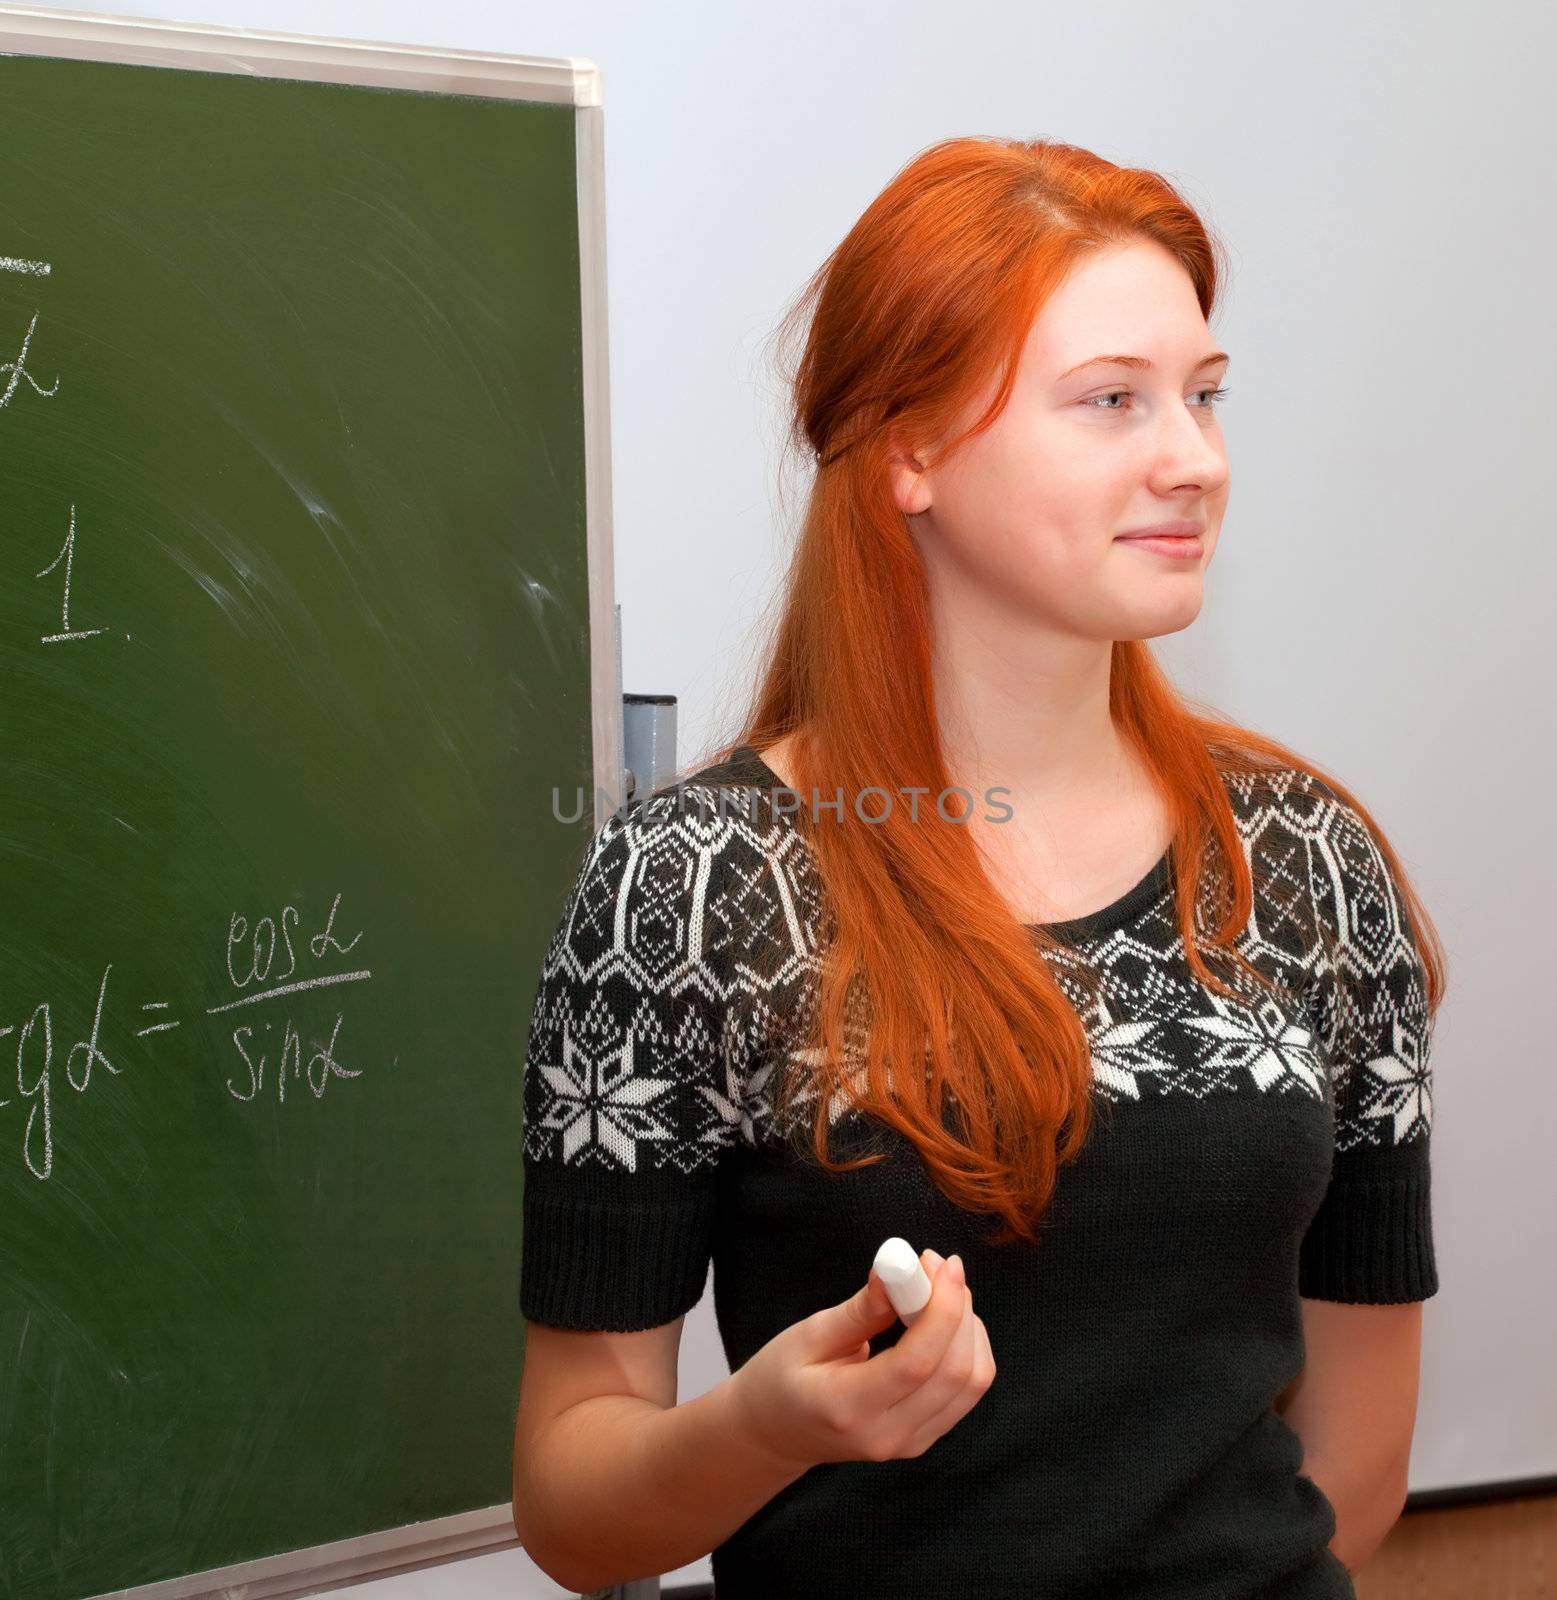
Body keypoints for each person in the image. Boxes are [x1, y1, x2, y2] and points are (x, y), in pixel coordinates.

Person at [511, 135, 1447, 1599]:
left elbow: (1358, 1459)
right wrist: (764, 1425)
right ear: (909, 451)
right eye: (1110, 402)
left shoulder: (1307, 863)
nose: (1192, 458)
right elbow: (572, 1502)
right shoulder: (688, 891)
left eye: (1203, 396)